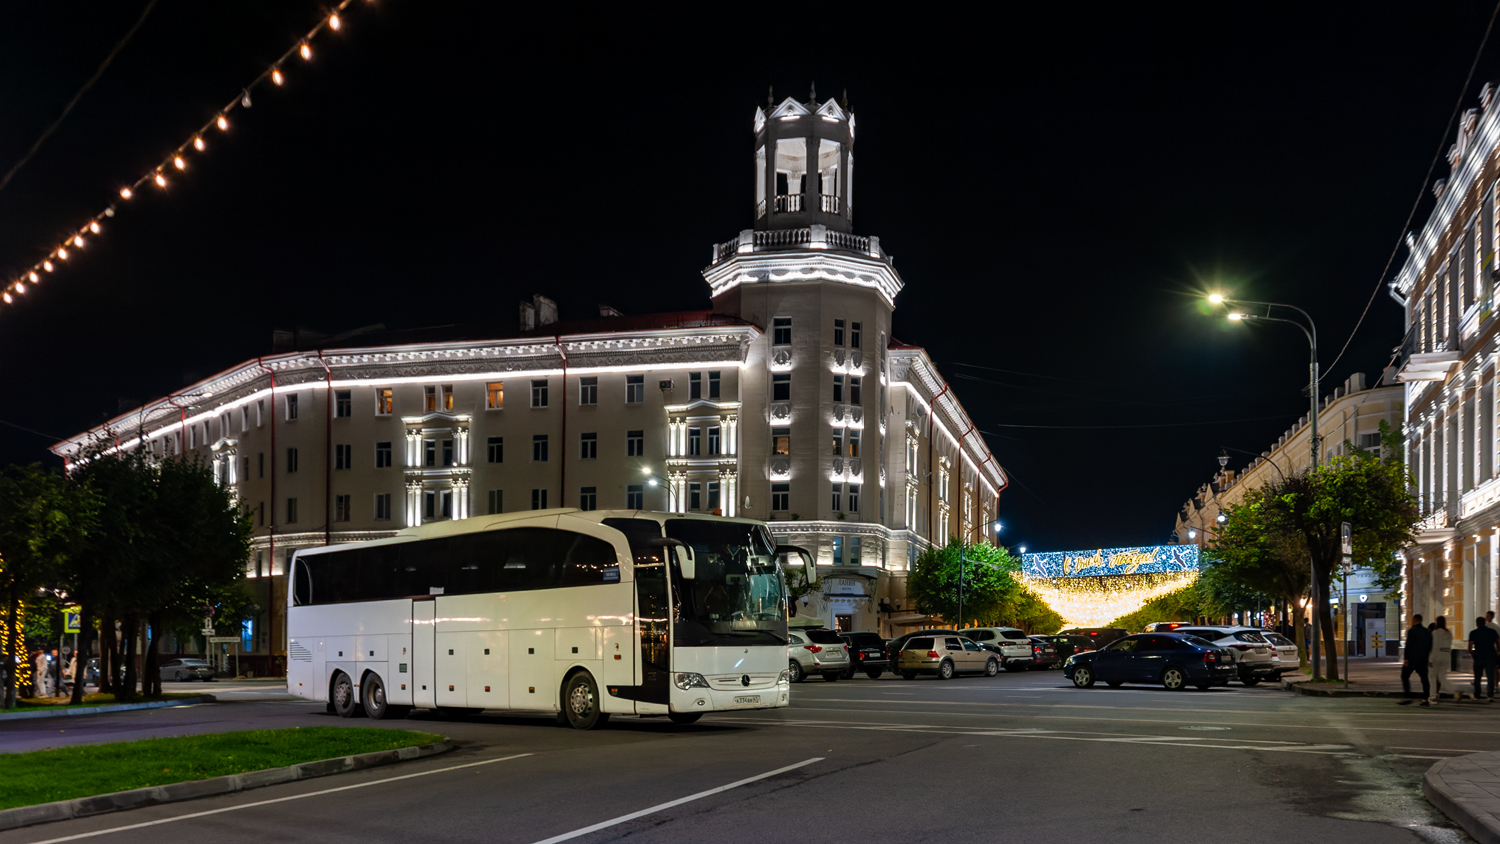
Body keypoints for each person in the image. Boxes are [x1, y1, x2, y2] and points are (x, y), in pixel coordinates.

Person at [1399, 613, 1432, 706]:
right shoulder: (1427, 631)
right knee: (1424, 679)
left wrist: (1406, 658)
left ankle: (1407, 697)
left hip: (1412, 659)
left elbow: (1408, 645)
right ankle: (1425, 699)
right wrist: (1426, 656)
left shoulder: (1412, 631)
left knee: (1404, 676)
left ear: (1415, 621)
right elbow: (1430, 646)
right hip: (1423, 659)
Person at [1472, 617, 1500, 703]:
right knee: (1490, 676)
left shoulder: (1473, 633)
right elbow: (1498, 642)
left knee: (1477, 677)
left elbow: (1470, 646)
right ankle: (1490, 695)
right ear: (1484, 623)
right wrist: (1498, 652)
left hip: (1478, 657)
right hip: (1491, 656)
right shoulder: (1492, 631)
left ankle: (1477, 694)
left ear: (1477, 623)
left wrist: (1473, 654)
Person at [1431, 616, 1454, 705]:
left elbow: (1435, 646)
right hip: (1446, 655)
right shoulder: (1449, 633)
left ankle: (1433, 695)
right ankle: (1454, 691)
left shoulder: (1435, 633)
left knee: (1432, 676)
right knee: (1442, 677)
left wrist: (1430, 659)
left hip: (1437, 655)